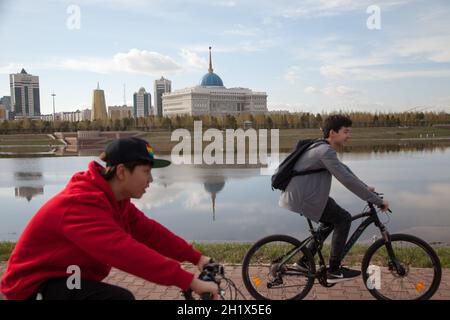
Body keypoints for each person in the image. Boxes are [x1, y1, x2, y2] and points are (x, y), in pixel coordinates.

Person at [0, 137, 218, 300]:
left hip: (65, 278)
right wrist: (188, 281)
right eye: (145, 171)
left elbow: (150, 233)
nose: (151, 179)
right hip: (33, 288)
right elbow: (124, 252)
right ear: (122, 172)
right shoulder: (81, 204)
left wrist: (196, 258)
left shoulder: (116, 201)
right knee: (118, 299)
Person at [279, 114, 390, 283]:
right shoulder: (325, 151)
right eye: (346, 132)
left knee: (332, 220)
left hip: (307, 196)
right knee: (343, 219)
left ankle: (304, 261)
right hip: (306, 198)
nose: (348, 136)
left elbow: (345, 171)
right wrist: (377, 201)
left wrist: (365, 188)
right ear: (332, 132)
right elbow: (346, 180)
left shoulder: (321, 147)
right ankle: (334, 270)